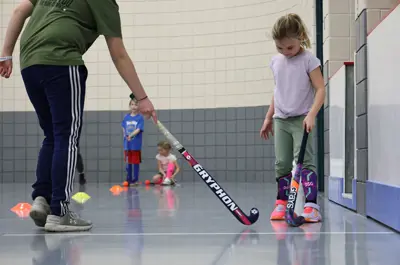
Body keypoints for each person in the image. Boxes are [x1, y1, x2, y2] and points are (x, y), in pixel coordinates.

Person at [0, 0, 156, 232]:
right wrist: (142, 98)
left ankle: (42, 199)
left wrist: (6, 54)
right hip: (61, 62)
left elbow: (19, 10)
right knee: (67, 137)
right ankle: (60, 211)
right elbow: (118, 54)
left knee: (52, 135)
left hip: (30, 63)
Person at [260, 13, 325, 223]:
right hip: (281, 119)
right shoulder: (276, 62)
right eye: (280, 48)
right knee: (282, 163)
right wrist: (269, 117)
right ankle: (282, 202)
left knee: (305, 162)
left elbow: (320, 89)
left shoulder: (308, 60)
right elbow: (278, 91)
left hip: (301, 119)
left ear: (301, 37)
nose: (285, 52)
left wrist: (312, 114)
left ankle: (311, 206)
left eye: (290, 47)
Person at [121, 96, 144, 187]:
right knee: (128, 162)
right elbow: (123, 126)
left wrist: (130, 135)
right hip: (127, 144)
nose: (134, 107)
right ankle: (128, 179)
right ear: (129, 106)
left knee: (135, 163)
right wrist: (125, 135)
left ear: (139, 107)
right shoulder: (126, 117)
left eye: (136, 105)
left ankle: (135, 180)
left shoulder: (140, 118)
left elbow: (139, 129)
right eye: (132, 104)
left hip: (135, 145)